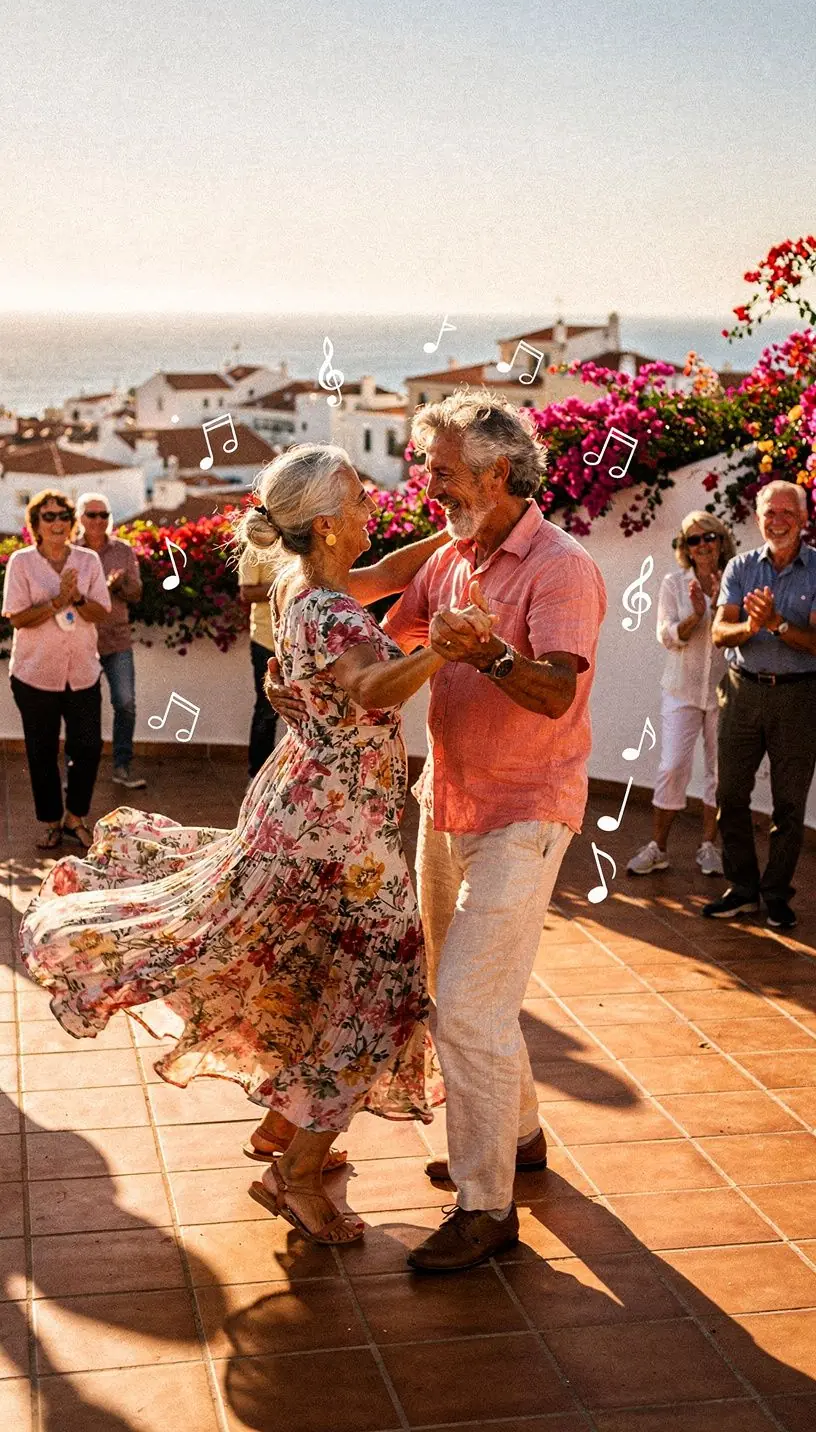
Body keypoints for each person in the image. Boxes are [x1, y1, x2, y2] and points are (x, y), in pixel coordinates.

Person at [19, 444, 478, 1248]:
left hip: (298, 809)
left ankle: (281, 1129)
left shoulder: (309, 583)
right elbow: (372, 686)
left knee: (304, 968)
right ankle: (297, 1171)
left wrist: (455, 538)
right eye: (361, 502)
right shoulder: (331, 611)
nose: (373, 508)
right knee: (378, 998)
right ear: (329, 526)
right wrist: (447, 647)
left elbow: (381, 578)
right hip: (342, 837)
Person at [267, 390, 607, 1271]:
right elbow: (377, 617)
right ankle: (521, 1136)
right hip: (447, 803)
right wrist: (297, 670)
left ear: (499, 472)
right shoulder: (456, 557)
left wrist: (486, 653)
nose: (429, 484)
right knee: (472, 993)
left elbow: (555, 691)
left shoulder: (560, 567)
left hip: (524, 813)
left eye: (444, 471)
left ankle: (487, 1205)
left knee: (465, 1004)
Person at [703, 480, 816, 930]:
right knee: (730, 794)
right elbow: (719, 633)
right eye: (770, 512)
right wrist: (753, 625)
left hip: (799, 697)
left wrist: (777, 623)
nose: (778, 520)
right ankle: (743, 889)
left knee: (789, 803)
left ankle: (776, 894)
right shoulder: (740, 568)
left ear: (804, 519)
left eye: (788, 512)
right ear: (758, 518)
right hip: (742, 690)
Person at [1, 490, 111, 851]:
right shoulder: (21, 562)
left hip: (82, 671)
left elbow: (101, 611)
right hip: (34, 674)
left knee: (89, 747)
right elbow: (17, 618)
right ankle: (50, 821)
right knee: (41, 750)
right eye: (48, 516)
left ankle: (74, 817)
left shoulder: (89, 560)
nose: (57, 522)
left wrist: (75, 598)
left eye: (63, 515)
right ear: (35, 524)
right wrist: (56, 602)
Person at [627, 511, 733, 878]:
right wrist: (696, 616)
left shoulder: (735, 579)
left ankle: (709, 846)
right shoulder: (674, 583)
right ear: (686, 548)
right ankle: (658, 848)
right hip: (681, 690)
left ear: (721, 541)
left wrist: (719, 606)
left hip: (723, 692)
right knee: (672, 766)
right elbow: (667, 636)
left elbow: (739, 633)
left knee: (719, 774)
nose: (702, 545)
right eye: (693, 539)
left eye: (709, 537)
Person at [75, 492, 146, 791]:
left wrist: (122, 585)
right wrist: (104, 588)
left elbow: (136, 594)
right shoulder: (71, 553)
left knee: (125, 703)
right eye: (92, 515)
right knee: (78, 708)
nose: (98, 520)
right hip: (81, 640)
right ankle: (76, 770)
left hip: (117, 639)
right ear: (80, 518)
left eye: (103, 515)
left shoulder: (123, 551)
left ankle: (122, 765)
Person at [238, 544, 280, 779]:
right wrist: (286, 586)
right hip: (266, 642)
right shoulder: (256, 550)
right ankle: (258, 778)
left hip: (297, 642)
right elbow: (247, 592)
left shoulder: (300, 543)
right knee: (266, 709)